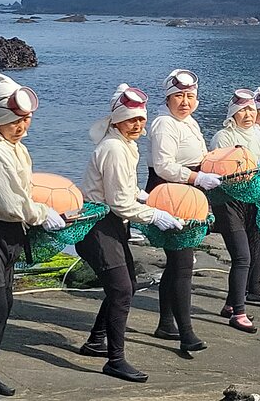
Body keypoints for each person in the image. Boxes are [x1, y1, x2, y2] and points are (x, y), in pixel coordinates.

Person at [0, 73, 66, 401]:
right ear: (0, 118)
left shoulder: (15, 147)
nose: (23, 126)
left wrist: (42, 208)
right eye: (16, 120)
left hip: (6, 230)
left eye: (27, 119)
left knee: (6, 305)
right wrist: (41, 215)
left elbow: (22, 193)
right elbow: (8, 203)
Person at [75, 84, 184, 383]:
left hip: (111, 223)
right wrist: (155, 215)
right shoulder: (113, 148)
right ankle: (115, 360)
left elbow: (121, 190)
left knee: (126, 285)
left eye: (141, 119)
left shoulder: (126, 145)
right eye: (131, 119)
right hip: (97, 226)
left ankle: (97, 340)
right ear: (116, 120)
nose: (138, 124)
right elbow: (119, 203)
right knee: (122, 289)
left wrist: (144, 195)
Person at [145, 69, 220, 352]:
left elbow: (200, 157)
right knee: (183, 264)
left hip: (189, 196)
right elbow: (163, 166)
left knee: (177, 264)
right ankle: (186, 332)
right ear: (167, 99)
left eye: (190, 96)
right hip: (169, 196)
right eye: (178, 96)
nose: (185, 101)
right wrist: (196, 178)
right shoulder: (164, 124)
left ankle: (166, 323)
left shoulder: (190, 123)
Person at [209, 89, 260, 334]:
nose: (248, 114)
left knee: (250, 250)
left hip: (251, 200)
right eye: (242, 110)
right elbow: (223, 170)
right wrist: (256, 165)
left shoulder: (258, 135)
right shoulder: (223, 137)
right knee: (242, 257)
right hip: (227, 202)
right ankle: (239, 313)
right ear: (233, 113)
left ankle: (230, 304)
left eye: (251, 110)